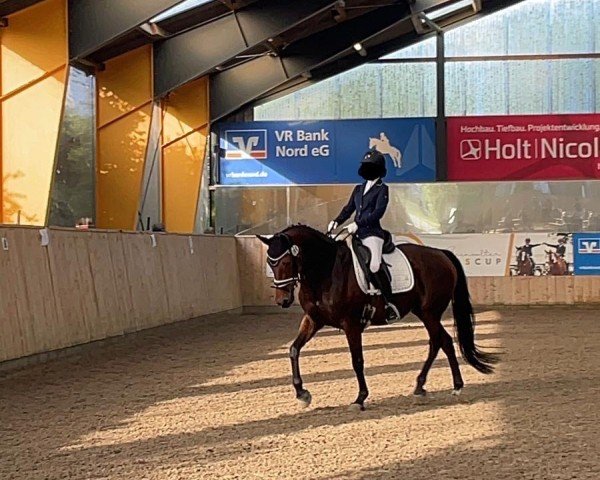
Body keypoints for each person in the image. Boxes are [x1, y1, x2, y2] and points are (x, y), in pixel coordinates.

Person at [328, 148, 400, 323]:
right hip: (355, 232)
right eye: (366, 166)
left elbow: (378, 213)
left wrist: (358, 223)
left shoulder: (382, 189)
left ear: (378, 169)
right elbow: (349, 208)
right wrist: (336, 221)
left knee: (374, 265)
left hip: (372, 234)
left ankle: (389, 303)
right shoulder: (358, 189)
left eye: (371, 166)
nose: (367, 169)